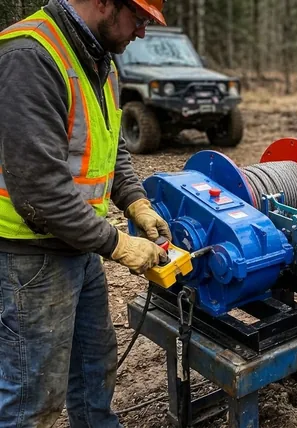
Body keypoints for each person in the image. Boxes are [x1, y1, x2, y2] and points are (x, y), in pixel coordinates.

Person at [0, 0, 170, 426]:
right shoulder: (31, 56)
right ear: (104, 2)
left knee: (95, 364)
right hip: (30, 255)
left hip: (78, 243)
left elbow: (112, 145)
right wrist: (118, 244)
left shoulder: (100, 58)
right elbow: (40, 191)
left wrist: (136, 201)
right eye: (139, 19)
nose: (142, 32)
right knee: (33, 395)